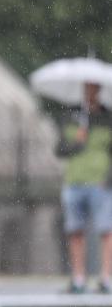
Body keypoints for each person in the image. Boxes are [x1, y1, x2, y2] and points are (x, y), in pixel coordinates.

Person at [54, 81, 112, 294]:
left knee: (106, 230)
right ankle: (79, 278)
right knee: (75, 230)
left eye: (93, 87)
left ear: (99, 89)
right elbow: (60, 149)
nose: (90, 91)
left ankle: (106, 278)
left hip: (100, 183)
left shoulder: (108, 117)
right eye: (86, 87)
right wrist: (77, 141)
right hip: (75, 182)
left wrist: (108, 178)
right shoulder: (72, 116)